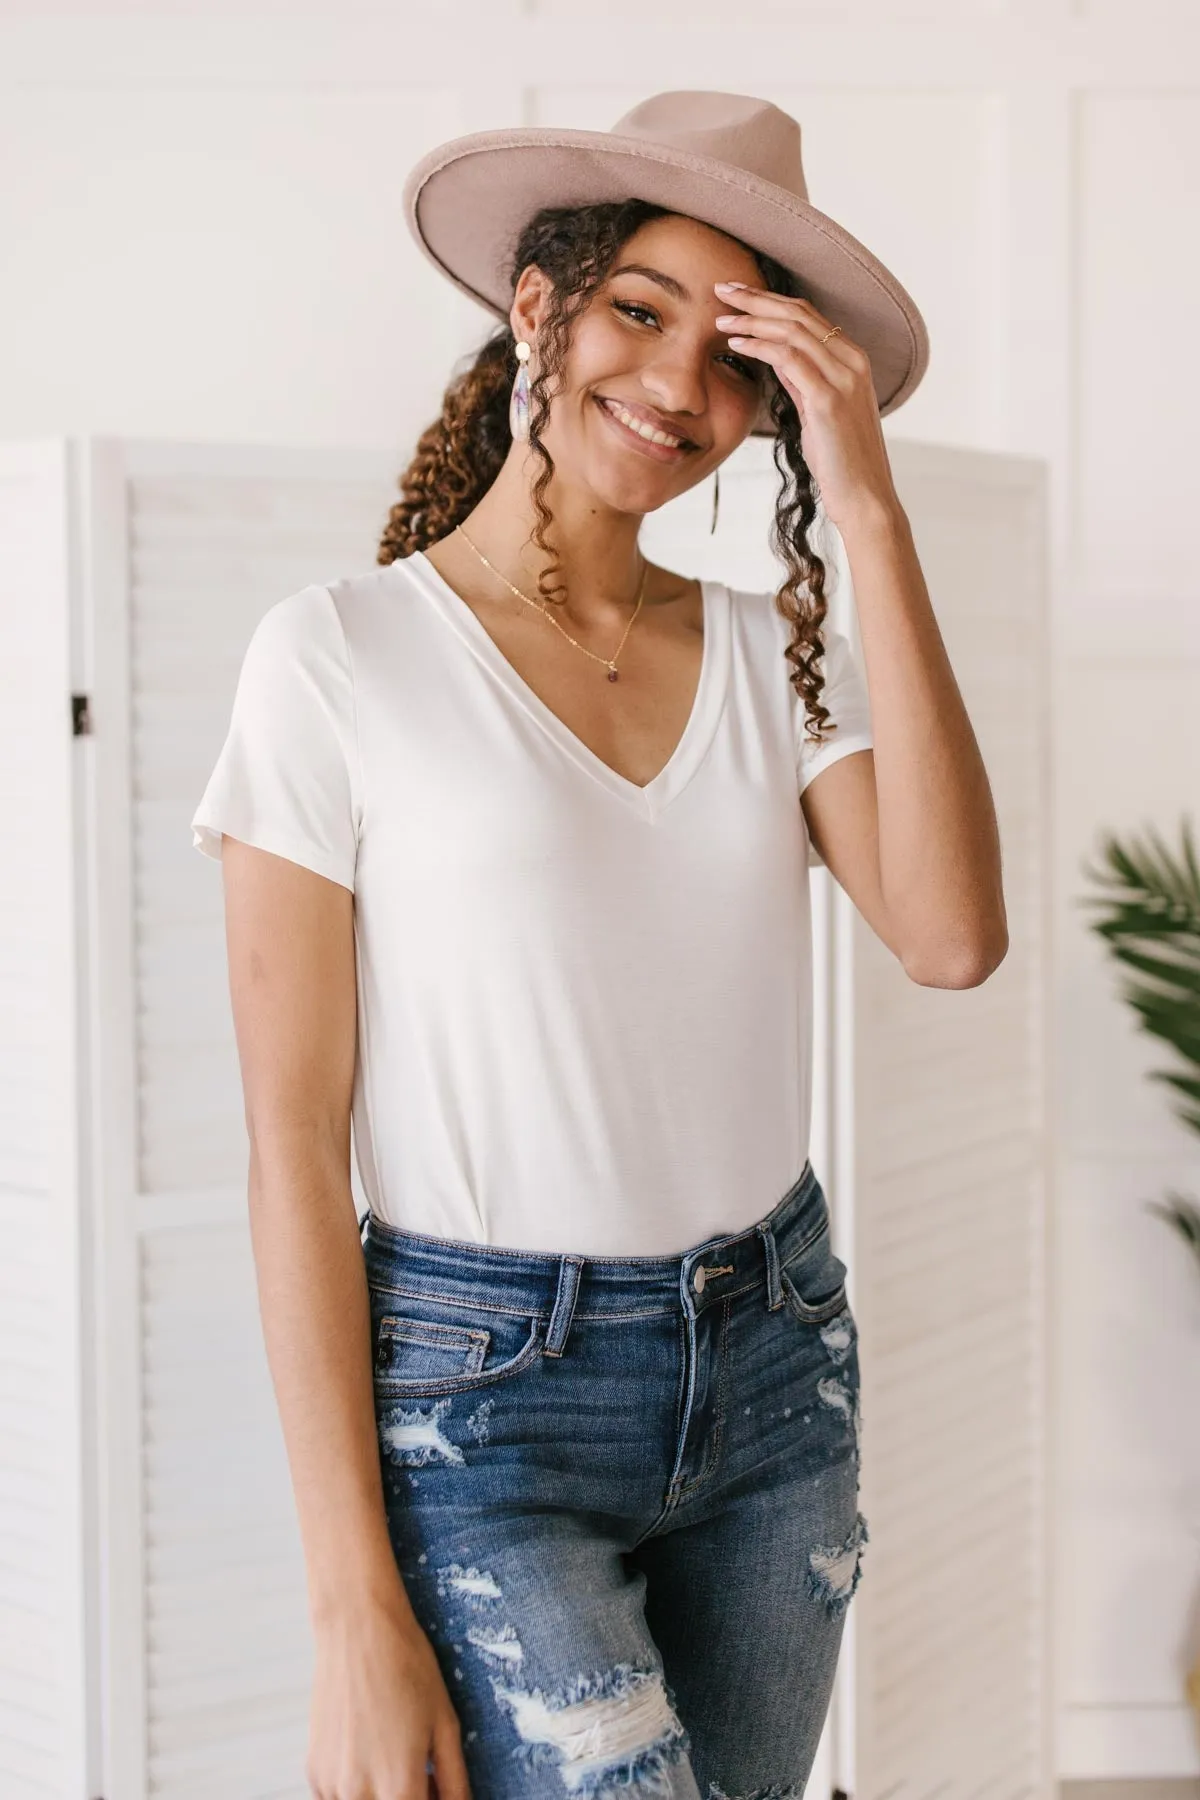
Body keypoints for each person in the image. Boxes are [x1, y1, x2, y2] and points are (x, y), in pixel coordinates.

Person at [191, 89, 1006, 1800]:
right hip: (490, 1406)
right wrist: (353, 1609)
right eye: (643, 309)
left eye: (740, 359)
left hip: (777, 1368)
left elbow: (947, 937)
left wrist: (867, 514)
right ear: (536, 311)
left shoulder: (777, 661)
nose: (681, 389)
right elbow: (286, 1141)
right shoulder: (338, 657)